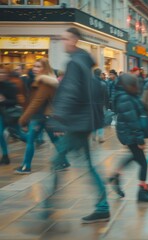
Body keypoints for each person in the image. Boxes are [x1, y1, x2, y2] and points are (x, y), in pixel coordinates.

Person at [48, 27, 109, 224]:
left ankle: (48, 207)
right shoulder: (83, 61)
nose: (63, 42)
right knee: (86, 164)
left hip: (77, 124)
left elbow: (70, 92)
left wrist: (59, 119)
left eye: (65, 39)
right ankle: (102, 206)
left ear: (74, 40)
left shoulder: (75, 63)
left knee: (57, 161)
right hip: (83, 122)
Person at [14, 58, 70, 174]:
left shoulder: (45, 82)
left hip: (40, 116)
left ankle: (26, 166)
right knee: (55, 140)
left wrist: (23, 119)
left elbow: (36, 102)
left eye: (38, 66)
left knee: (30, 141)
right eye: (34, 66)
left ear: (45, 68)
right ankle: (64, 161)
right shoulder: (41, 80)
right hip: (46, 116)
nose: (35, 68)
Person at [108, 73, 148, 202]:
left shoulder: (127, 95)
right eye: (134, 84)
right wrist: (140, 139)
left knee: (136, 157)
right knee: (143, 163)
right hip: (130, 134)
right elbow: (132, 120)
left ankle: (116, 175)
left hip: (129, 133)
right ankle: (142, 192)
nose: (136, 86)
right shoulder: (125, 98)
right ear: (128, 85)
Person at [0, 68, 18, 165]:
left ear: (6, 75)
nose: (0, 74)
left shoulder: (11, 86)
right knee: (0, 134)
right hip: (1, 114)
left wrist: (3, 100)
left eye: (2, 72)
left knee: (22, 135)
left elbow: (15, 101)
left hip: (9, 114)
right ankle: (5, 156)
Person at [92, 68, 109, 144]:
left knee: (93, 119)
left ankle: (93, 135)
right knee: (101, 120)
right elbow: (106, 96)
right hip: (101, 105)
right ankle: (101, 137)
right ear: (100, 74)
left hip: (92, 105)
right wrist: (106, 105)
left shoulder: (90, 83)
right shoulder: (103, 84)